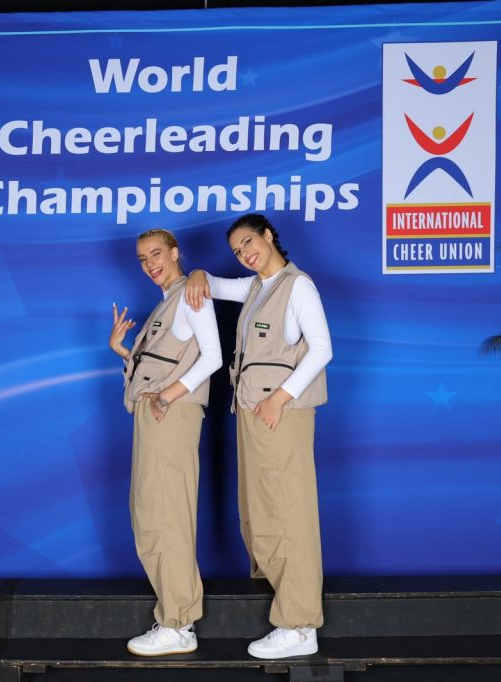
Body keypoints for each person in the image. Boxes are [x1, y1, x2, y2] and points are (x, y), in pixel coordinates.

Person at [185, 213, 331, 659]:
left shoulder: (297, 286)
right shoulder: (256, 287)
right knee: (261, 509)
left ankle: (300, 625)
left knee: (287, 512)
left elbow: (322, 348)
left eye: (249, 242)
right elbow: (212, 284)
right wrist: (196, 272)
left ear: (268, 236)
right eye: (237, 250)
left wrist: (280, 398)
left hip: (279, 414)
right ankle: (286, 604)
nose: (244, 254)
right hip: (252, 411)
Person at [109, 228, 222, 656]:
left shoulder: (191, 295)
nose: (149, 264)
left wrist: (168, 396)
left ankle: (179, 623)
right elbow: (162, 364)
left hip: (169, 415)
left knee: (166, 513)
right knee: (150, 512)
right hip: (155, 414)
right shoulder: (168, 301)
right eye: (142, 259)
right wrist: (123, 351)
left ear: (175, 253)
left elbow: (213, 356)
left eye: (156, 254)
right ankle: (175, 617)